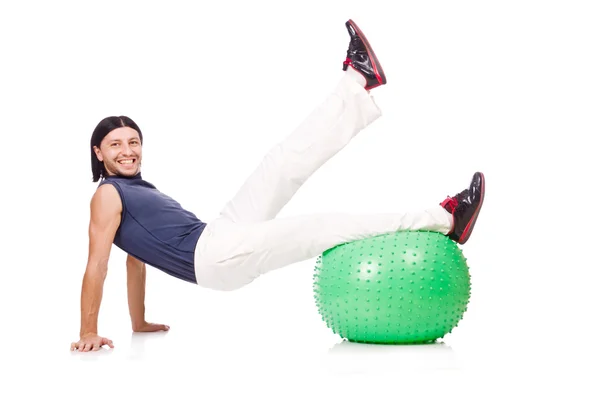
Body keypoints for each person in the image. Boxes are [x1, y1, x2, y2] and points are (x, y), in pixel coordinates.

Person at [70, 19, 486, 352]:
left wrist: (138, 322)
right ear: (98, 152)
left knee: (282, 163)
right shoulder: (107, 194)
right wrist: (89, 330)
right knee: (322, 227)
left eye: (133, 141)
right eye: (116, 145)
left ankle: (358, 82)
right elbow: (98, 263)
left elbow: (135, 261)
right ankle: (446, 218)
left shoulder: (140, 189)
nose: (128, 151)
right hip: (214, 258)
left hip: (216, 235)